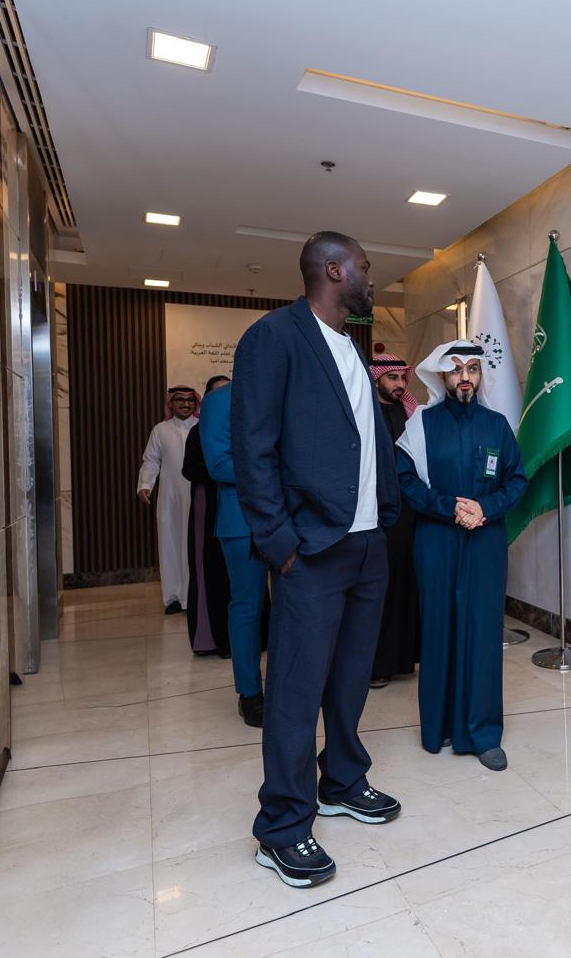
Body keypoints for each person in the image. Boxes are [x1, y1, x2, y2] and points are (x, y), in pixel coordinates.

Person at [231, 230, 402, 889]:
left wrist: (384, 515)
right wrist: (280, 546)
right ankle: (281, 826)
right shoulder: (274, 338)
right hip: (310, 550)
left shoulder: (352, 347)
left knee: (352, 678)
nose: (371, 277)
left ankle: (342, 781)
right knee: (296, 691)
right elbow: (253, 448)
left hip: (366, 544)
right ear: (333, 269)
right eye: (365, 266)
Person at [396, 342, 527, 771]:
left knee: (482, 632)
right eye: (456, 370)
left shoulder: (497, 425)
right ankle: (439, 727)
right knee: (439, 629)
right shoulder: (421, 425)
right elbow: (404, 480)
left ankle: (483, 733)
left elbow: (516, 481)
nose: (465, 377)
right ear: (442, 376)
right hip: (436, 538)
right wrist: (448, 507)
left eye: (473, 368)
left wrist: (485, 508)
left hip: (485, 540)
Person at [199, 377, 273, 725]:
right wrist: (276, 472)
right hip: (243, 519)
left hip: (295, 517)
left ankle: (292, 684)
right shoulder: (219, 401)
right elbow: (217, 464)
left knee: (297, 607)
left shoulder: (287, 391)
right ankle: (250, 693)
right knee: (248, 606)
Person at [368, 353, 420, 689]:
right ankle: (378, 664)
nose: (400, 384)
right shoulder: (365, 413)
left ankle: (404, 658)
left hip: (410, 510)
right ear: (377, 380)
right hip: (376, 512)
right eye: (392, 378)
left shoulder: (411, 413)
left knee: (407, 583)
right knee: (379, 588)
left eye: (403, 378)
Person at [181, 375, 233, 656]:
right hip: (209, 504)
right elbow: (189, 469)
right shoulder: (197, 432)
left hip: (236, 504)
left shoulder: (242, 426)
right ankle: (211, 637)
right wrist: (219, 469)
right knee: (209, 566)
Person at [138, 386, 198, 614]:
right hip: (170, 498)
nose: (185, 404)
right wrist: (145, 485)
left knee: (194, 544)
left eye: (190, 400)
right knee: (170, 543)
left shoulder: (202, 427)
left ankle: (194, 597)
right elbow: (151, 460)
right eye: (180, 400)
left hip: (197, 496)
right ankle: (173, 597)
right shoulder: (160, 430)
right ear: (170, 404)